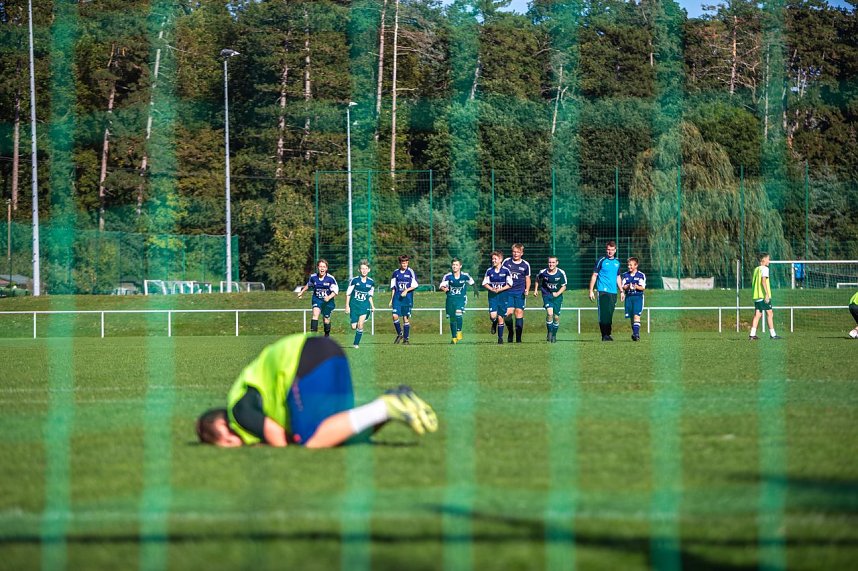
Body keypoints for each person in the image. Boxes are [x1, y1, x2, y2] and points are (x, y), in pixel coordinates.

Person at [196, 334, 438, 448]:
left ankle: (386, 405)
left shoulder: (238, 411)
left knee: (312, 441)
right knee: (337, 434)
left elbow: (278, 439)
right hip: (328, 352)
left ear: (223, 430)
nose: (232, 447)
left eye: (226, 444)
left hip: (303, 360)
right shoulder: (246, 400)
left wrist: (268, 444)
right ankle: (394, 406)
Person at [589, 241, 622, 341]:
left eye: (612, 250)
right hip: (602, 290)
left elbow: (618, 277)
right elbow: (594, 275)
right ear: (606, 250)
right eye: (608, 250)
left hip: (613, 292)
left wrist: (621, 290)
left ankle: (608, 333)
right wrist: (591, 290)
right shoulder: (601, 260)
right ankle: (604, 335)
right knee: (603, 312)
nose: (610, 252)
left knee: (610, 312)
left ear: (615, 250)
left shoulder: (617, 262)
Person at [297, 259, 339, 336]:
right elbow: (309, 285)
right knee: (315, 314)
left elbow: (336, 291)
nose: (322, 268)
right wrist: (301, 292)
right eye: (320, 266)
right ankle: (313, 338)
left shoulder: (331, 278)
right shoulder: (313, 277)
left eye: (324, 267)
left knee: (326, 320)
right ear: (317, 267)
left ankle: (327, 335)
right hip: (317, 299)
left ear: (326, 268)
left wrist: (329, 297)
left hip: (328, 302)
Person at [439, 258, 475, 344]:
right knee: (452, 318)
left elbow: (472, 283)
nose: (454, 266)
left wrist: (476, 291)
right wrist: (445, 289)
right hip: (450, 300)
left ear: (460, 266)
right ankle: (454, 337)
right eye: (453, 265)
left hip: (461, 299)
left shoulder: (465, 275)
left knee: (458, 312)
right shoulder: (448, 276)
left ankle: (459, 331)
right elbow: (441, 286)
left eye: (456, 265)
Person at [532, 255, 567, 343]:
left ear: (557, 263)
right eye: (549, 262)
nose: (551, 264)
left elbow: (564, 286)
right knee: (550, 314)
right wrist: (536, 290)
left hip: (557, 297)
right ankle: (550, 332)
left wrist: (557, 293)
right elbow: (537, 279)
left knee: (556, 317)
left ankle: (554, 334)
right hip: (547, 295)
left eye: (553, 262)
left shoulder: (561, 273)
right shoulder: (543, 272)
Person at [502, 244, 531, 343]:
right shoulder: (506, 262)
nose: (516, 254)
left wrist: (527, 289)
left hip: (519, 293)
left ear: (522, 253)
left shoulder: (525, 264)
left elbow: (527, 278)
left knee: (519, 313)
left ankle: (518, 339)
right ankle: (510, 332)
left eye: (518, 252)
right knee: (507, 314)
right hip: (508, 292)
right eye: (514, 251)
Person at [482, 251, 513, 344]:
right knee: (493, 316)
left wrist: (500, 289)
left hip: (503, 296)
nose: (493, 260)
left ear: (500, 259)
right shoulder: (489, 271)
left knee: (500, 317)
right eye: (492, 259)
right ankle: (494, 322)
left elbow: (510, 284)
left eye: (495, 259)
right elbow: (484, 283)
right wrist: (491, 289)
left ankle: (500, 338)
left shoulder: (506, 271)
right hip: (493, 297)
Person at [749, 252, 782, 340]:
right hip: (763, 295)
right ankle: (773, 334)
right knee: (770, 313)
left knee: (757, 314)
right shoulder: (765, 268)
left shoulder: (756, 269)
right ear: (763, 259)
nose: (769, 261)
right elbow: (763, 281)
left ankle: (752, 335)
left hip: (756, 295)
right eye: (768, 259)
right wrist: (766, 294)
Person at [344, 259, 376, 349]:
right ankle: (357, 323)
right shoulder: (354, 280)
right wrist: (347, 306)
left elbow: (369, 295)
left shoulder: (371, 282)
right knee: (354, 327)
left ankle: (356, 343)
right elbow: (348, 293)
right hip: (354, 306)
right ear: (359, 270)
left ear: (369, 270)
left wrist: (373, 306)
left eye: (366, 268)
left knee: (360, 324)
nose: (364, 270)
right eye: (362, 268)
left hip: (364, 306)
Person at [389, 255, 418, 345]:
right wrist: (391, 299)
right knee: (394, 316)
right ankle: (400, 334)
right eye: (403, 263)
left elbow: (415, 285)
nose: (404, 264)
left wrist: (406, 290)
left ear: (408, 263)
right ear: (400, 263)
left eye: (406, 262)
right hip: (397, 298)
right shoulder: (395, 273)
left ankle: (406, 339)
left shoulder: (410, 272)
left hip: (407, 299)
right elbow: (393, 287)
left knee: (405, 318)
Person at [620, 257, 646, 342]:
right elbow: (623, 286)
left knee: (636, 315)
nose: (629, 266)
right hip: (629, 298)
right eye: (628, 265)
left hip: (638, 298)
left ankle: (636, 335)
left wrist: (636, 286)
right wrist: (628, 287)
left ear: (636, 265)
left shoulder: (640, 275)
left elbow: (643, 288)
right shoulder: (625, 275)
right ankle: (635, 333)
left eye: (631, 265)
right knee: (632, 317)